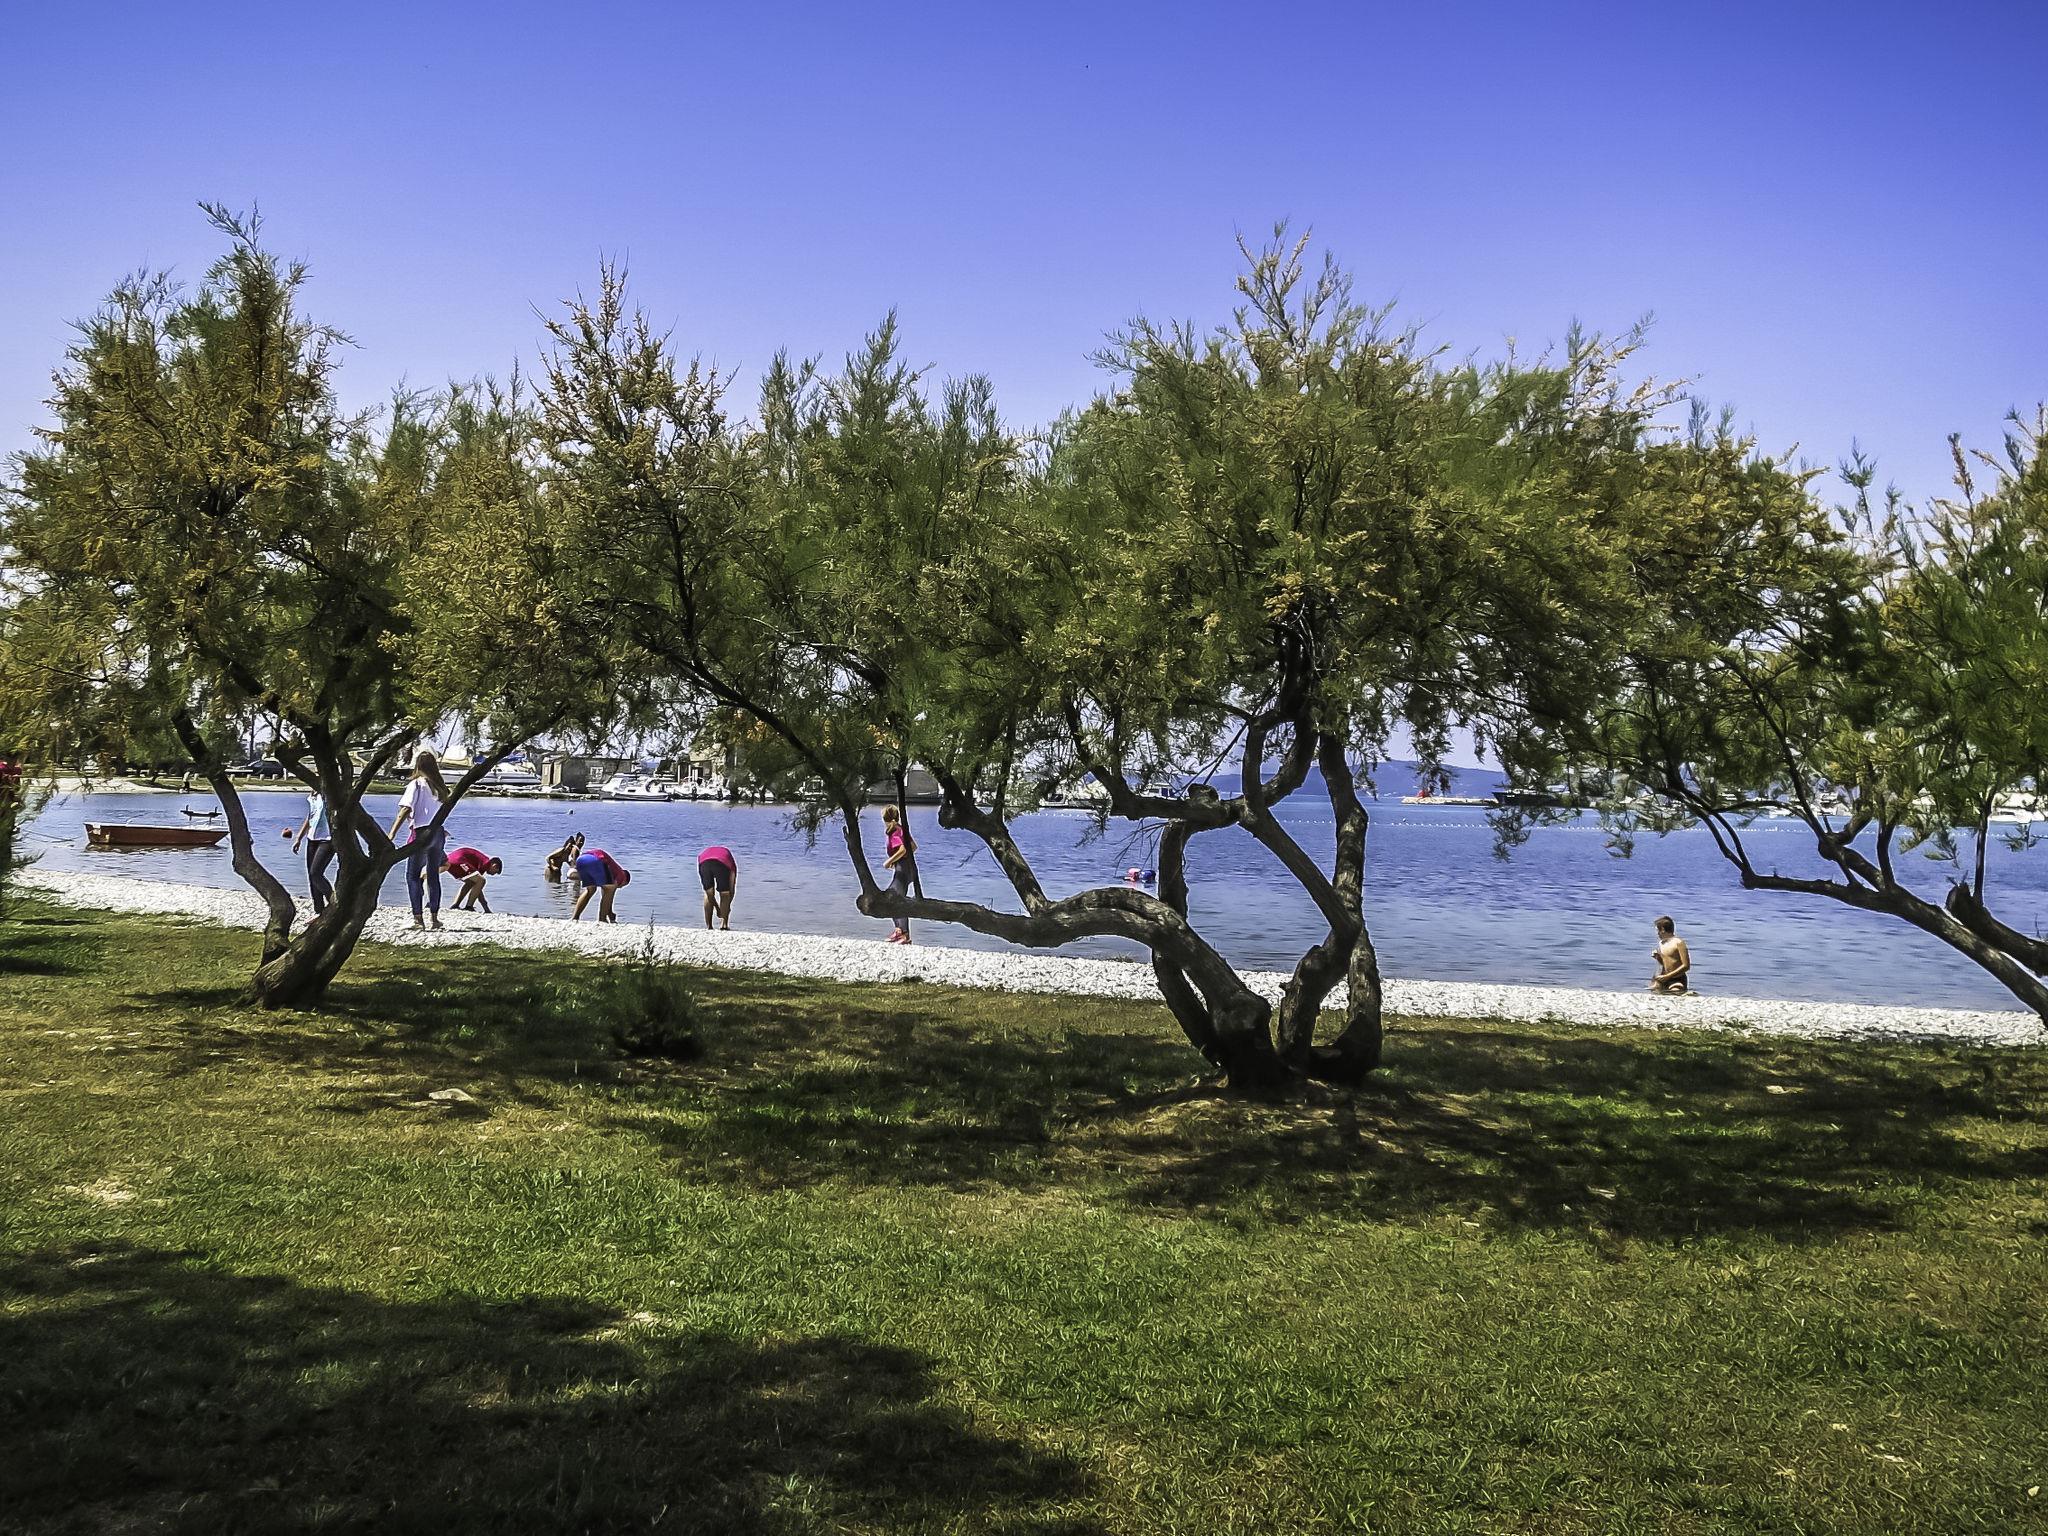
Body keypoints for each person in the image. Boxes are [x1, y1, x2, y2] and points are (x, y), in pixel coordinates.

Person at [388, 749, 448, 931]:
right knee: (433, 876)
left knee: (413, 876)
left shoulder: (416, 784)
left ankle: (418, 919)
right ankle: (435, 919)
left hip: (421, 832)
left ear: (418, 765)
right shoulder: (440, 787)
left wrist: (392, 833)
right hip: (438, 833)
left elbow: (405, 809)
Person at [291, 788, 334, 915]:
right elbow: (310, 817)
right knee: (311, 877)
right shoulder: (312, 795)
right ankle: (319, 911)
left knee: (315, 873)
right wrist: (299, 837)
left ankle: (334, 902)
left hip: (328, 839)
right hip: (312, 838)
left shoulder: (328, 794)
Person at [880, 804, 916, 944]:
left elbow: (903, 850)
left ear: (885, 819)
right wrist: (898, 861)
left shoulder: (895, 831)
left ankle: (904, 934)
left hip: (903, 870)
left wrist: (889, 861)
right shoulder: (901, 829)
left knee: (893, 898)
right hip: (906, 869)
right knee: (896, 898)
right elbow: (913, 847)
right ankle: (900, 931)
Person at [572, 847, 630, 922]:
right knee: (610, 889)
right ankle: (602, 919)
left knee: (590, 890)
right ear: (625, 881)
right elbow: (608, 894)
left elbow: (605, 895)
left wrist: (610, 912)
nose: (620, 887)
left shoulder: (613, 870)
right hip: (597, 859)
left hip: (581, 859)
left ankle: (575, 917)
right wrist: (610, 914)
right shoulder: (622, 875)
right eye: (622, 886)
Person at [443, 845, 503, 913]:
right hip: (458, 860)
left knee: (471, 882)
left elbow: (477, 888)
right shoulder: (485, 863)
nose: (493, 874)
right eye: (495, 872)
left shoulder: (483, 863)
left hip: (449, 861)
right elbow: (479, 887)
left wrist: (486, 908)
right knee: (481, 880)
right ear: (494, 865)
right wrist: (486, 907)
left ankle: (455, 905)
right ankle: (469, 906)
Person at [698, 844, 739, 929]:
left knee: (708, 894)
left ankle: (709, 926)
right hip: (721, 862)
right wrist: (727, 906)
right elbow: (732, 889)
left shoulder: (707, 852)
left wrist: (718, 909)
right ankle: (724, 925)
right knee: (725, 894)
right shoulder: (732, 865)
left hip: (703, 861)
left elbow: (710, 895)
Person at [1649, 915, 1692, 994]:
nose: (1657, 934)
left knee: (1675, 991)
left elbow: (1686, 966)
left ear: (1662, 930)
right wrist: (1658, 957)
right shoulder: (1661, 943)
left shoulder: (1679, 942)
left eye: (1657, 931)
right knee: (1652, 990)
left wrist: (1668, 976)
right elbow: (1665, 964)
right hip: (1663, 978)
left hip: (1677, 979)